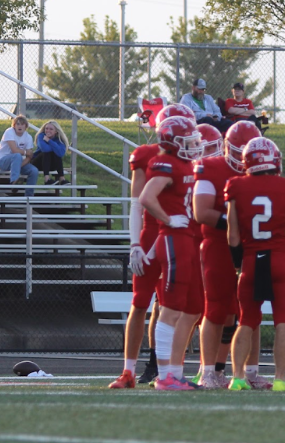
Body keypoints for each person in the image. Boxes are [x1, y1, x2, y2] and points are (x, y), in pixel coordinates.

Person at [109, 104, 196, 390]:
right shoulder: (147, 155)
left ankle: (165, 369)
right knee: (140, 302)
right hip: (154, 233)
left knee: (169, 305)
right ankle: (129, 370)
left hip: (176, 235)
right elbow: (138, 202)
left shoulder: (190, 159)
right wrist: (135, 244)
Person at [192, 120, 271, 390]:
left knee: (251, 310)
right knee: (215, 309)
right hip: (217, 243)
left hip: (252, 245)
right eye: (238, 153)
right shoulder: (210, 167)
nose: (243, 161)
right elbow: (201, 212)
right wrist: (237, 222)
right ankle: (208, 371)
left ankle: (249, 371)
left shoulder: (262, 170)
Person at [225, 137, 285, 392]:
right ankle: (280, 379)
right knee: (283, 320)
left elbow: (233, 237)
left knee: (246, 320)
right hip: (279, 258)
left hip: (251, 260)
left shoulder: (235, 185)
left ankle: (236, 378)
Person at [138, 115, 204, 391]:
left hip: (185, 238)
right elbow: (145, 197)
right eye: (186, 141)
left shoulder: (183, 163)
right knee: (171, 308)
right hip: (174, 239)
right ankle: (164, 376)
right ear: (172, 142)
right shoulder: (165, 164)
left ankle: (174, 373)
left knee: (192, 307)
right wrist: (166, 219)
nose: (192, 145)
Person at [0, 115, 39, 197]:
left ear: (26, 126)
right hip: (3, 160)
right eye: (17, 124)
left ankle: (29, 197)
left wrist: (17, 166)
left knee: (34, 171)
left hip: (18, 163)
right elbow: (15, 150)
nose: (20, 126)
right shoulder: (9, 132)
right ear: (14, 126)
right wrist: (25, 152)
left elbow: (30, 157)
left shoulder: (28, 137)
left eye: (22, 124)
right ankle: (14, 182)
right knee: (17, 155)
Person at [32, 120, 70, 186]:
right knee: (47, 153)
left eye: (51, 129)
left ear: (56, 131)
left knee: (57, 154)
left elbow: (61, 153)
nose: (48, 131)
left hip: (50, 165)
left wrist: (49, 141)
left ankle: (62, 179)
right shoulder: (41, 136)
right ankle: (47, 179)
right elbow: (45, 149)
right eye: (46, 128)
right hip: (37, 163)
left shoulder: (59, 139)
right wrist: (54, 147)